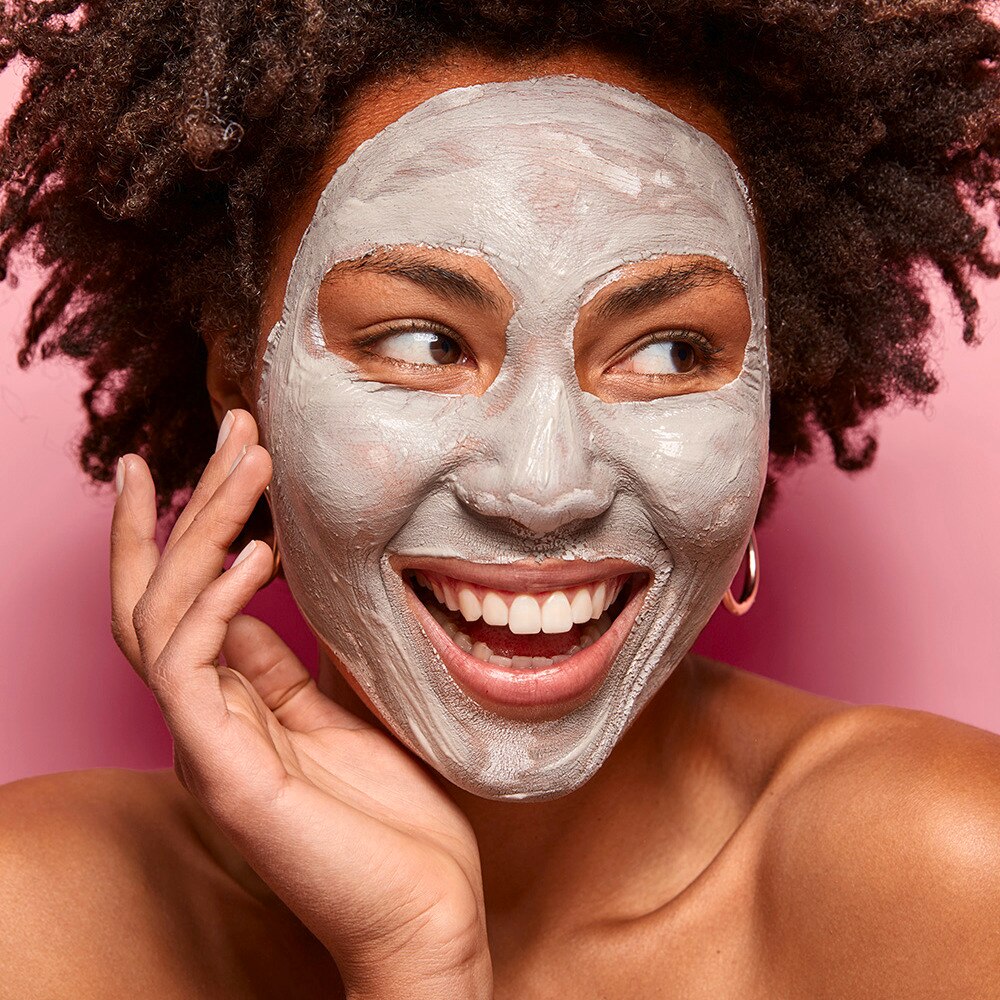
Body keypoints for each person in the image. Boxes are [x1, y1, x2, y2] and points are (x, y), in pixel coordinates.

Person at [2, 3, 999, 998]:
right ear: (239, 378)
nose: (541, 488)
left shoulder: (945, 874)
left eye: (666, 351)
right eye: (423, 343)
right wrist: (414, 958)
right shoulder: (39, 921)